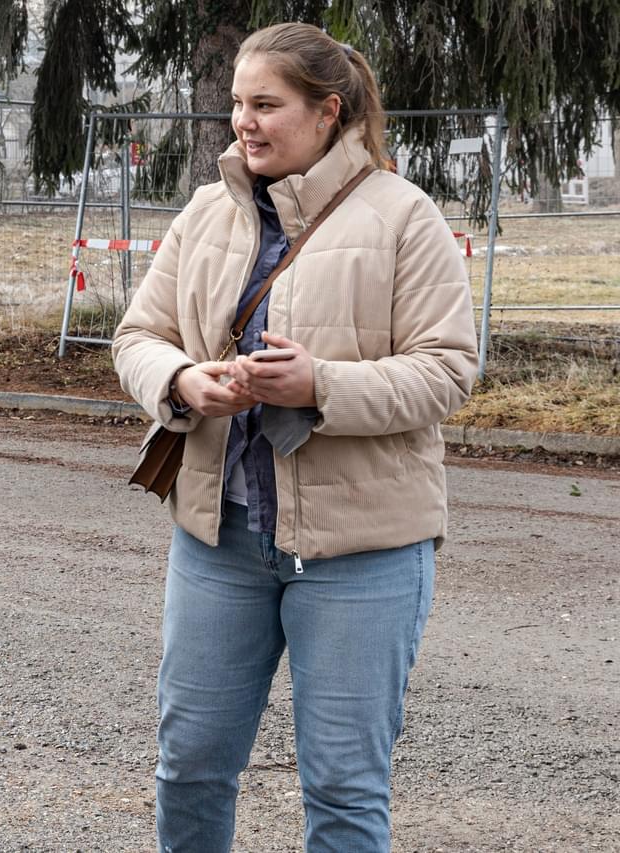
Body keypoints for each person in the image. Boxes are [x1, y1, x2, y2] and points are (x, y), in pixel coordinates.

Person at [111, 23, 478, 853]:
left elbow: (448, 371)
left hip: (363, 553)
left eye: (266, 104)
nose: (243, 120)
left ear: (327, 112)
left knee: (344, 787)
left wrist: (322, 387)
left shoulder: (403, 215)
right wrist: (180, 381)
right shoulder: (208, 211)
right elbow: (137, 336)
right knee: (190, 764)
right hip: (220, 541)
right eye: (238, 103)